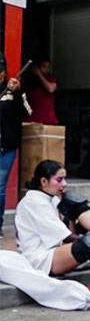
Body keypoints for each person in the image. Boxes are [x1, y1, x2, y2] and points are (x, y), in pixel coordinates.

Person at [14, 160, 90, 295]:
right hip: (41, 261)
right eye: (59, 179)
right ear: (44, 181)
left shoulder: (49, 197)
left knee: (73, 201)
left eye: (64, 179)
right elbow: (68, 238)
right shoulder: (34, 202)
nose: (64, 184)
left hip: (57, 250)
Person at [0, 54, 28, 234]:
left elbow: (26, 112)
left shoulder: (14, 91)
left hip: (6, 147)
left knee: (0, 187)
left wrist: (17, 94)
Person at [26, 58, 59, 125]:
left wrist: (39, 75)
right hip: (33, 120)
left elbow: (50, 89)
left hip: (49, 120)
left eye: (48, 67)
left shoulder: (51, 78)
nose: (47, 69)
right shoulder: (29, 81)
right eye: (44, 66)